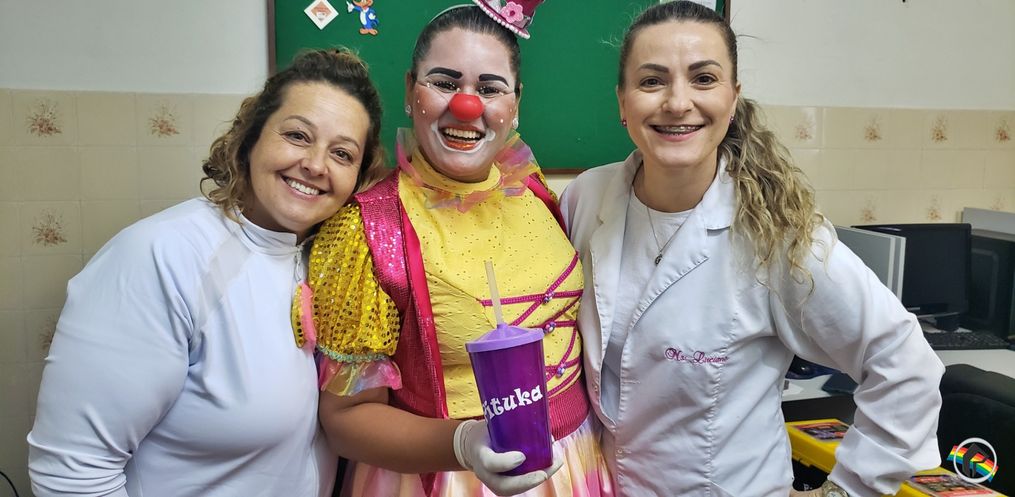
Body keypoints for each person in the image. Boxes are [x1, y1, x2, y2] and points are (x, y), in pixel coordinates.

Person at [559, 2, 945, 496]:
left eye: (703, 79)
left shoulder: (776, 233)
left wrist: (848, 489)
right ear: (622, 102)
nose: (677, 102)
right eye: (652, 81)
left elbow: (904, 362)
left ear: (733, 98)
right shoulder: (587, 198)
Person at [27, 48, 386, 497]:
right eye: (297, 136)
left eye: (342, 153)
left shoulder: (334, 264)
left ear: (358, 177)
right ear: (250, 139)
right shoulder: (161, 257)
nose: (315, 165)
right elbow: (72, 473)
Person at [297, 4, 613, 497]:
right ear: (410, 92)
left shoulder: (531, 187)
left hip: (574, 468)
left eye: (490, 88)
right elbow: (345, 420)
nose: (466, 106)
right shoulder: (366, 229)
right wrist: (463, 443)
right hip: (445, 479)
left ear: (516, 103)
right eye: (444, 82)